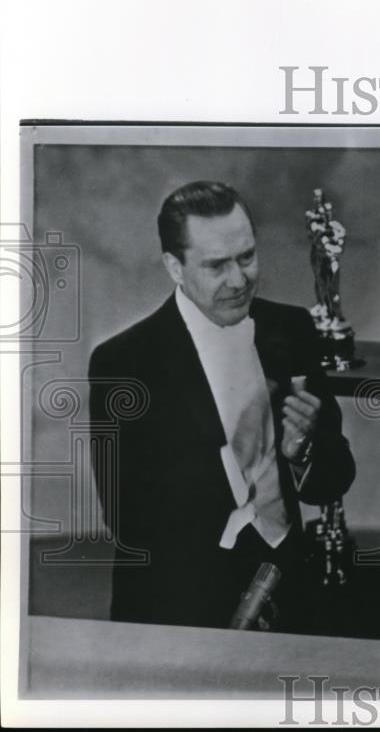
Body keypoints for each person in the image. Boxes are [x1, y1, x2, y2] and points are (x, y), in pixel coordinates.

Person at [88, 181, 356, 631]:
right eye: (216, 266)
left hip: (291, 595)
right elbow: (125, 518)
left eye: (247, 257)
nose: (239, 280)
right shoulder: (124, 362)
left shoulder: (292, 329)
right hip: (176, 608)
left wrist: (302, 453)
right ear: (174, 266)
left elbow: (334, 479)